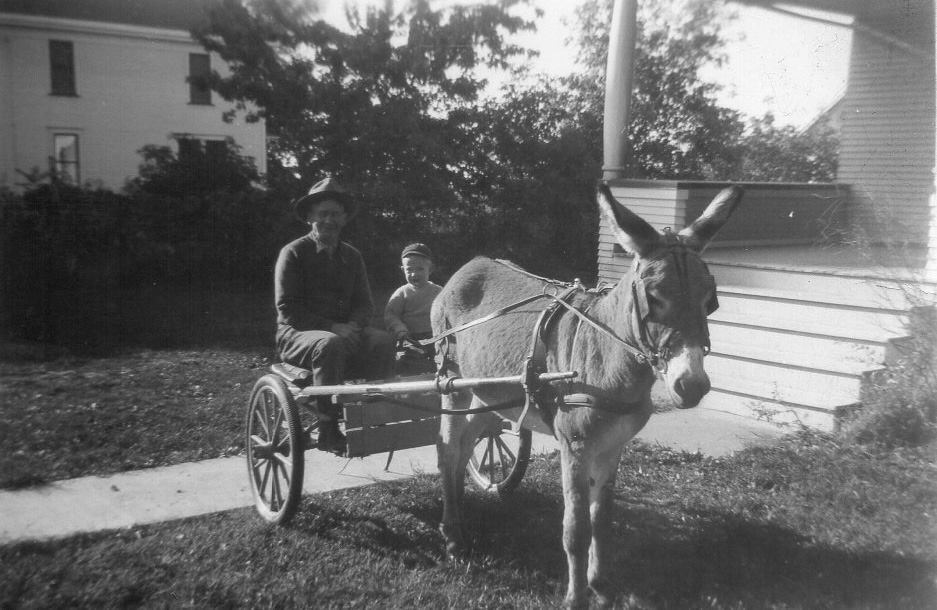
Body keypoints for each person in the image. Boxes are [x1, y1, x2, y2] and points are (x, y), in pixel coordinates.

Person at [275, 177, 394, 454]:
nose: (329, 220)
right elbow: (288, 309)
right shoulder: (293, 253)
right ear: (309, 218)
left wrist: (352, 325)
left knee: (384, 342)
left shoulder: (352, 256)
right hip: (296, 335)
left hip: (344, 332)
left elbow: (365, 304)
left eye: (335, 214)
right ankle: (328, 431)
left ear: (344, 219)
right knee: (329, 343)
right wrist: (332, 327)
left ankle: (375, 420)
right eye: (322, 214)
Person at [384, 243, 443, 358]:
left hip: (436, 336)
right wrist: (400, 329)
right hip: (410, 338)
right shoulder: (402, 293)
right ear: (403, 270)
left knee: (445, 356)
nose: (414, 274)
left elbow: (446, 311)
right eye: (409, 270)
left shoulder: (438, 291)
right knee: (409, 359)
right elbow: (391, 315)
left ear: (430, 269)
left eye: (420, 269)